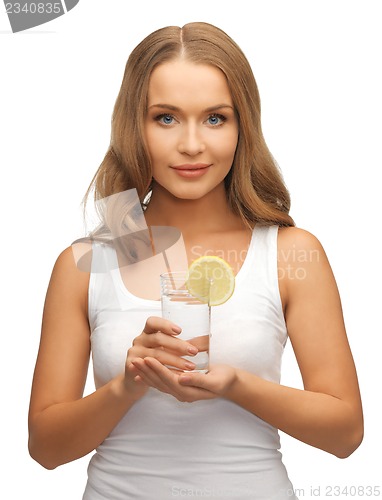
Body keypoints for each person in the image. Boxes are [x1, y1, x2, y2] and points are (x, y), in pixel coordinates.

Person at [28, 22, 363, 499]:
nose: (190, 144)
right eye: (165, 118)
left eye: (214, 118)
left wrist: (236, 386)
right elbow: (45, 448)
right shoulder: (86, 263)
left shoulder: (290, 253)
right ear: (134, 126)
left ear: (242, 125)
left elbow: (346, 433)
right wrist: (129, 384)